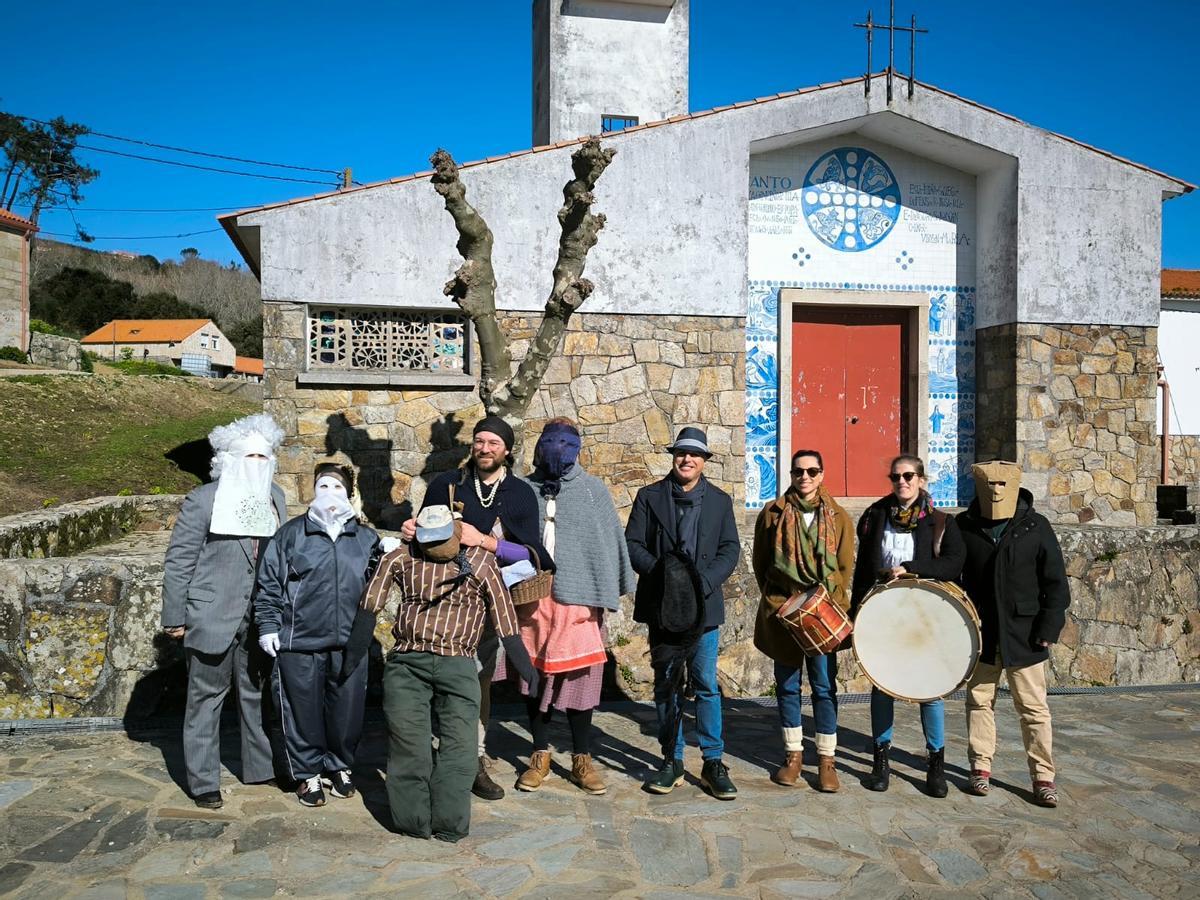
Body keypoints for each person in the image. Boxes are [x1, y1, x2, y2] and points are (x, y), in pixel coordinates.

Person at [363, 505, 539, 842]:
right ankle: (412, 819)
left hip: (458, 663)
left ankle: (449, 823)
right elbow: (371, 602)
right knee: (408, 744)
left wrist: (526, 667)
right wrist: (353, 656)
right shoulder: (401, 557)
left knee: (459, 746)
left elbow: (504, 616)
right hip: (407, 661)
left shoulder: (480, 561)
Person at [403, 415, 552, 801]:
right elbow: (424, 535)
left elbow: (531, 553)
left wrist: (485, 541)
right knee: (436, 678)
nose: (485, 448)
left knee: (476, 681)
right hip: (440, 602)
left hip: (486, 605)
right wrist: (411, 529)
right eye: (479, 441)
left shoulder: (520, 493)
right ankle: (436, 755)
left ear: (506, 451)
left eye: (494, 443)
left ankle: (473, 759)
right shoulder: (445, 485)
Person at [161, 413, 287, 809]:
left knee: (255, 694)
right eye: (249, 457)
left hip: (259, 616)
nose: (257, 465)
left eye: (264, 458)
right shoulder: (203, 500)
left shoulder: (276, 497)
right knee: (206, 697)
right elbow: (179, 560)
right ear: (230, 459)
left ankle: (259, 767)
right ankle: (203, 781)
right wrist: (175, 617)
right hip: (212, 614)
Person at [507, 418, 635, 795]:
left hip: (579, 602)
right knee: (534, 680)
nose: (557, 449)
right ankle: (540, 753)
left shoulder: (593, 491)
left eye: (565, 442)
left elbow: (608, 542)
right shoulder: (521, 490)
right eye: (550, 441)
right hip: (532, 600)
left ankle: (582, 757)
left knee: (580, 681)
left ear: (577, 447)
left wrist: (607, 589)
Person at [254, 463, 381, 807]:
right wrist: (267, 627)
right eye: (322, 487)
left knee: (347, 712)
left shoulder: (367, 539)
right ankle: (307, 774)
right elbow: (268, 585)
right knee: (301, 713)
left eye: (337, 487)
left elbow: (379, 584)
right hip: (300, 642)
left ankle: (339, 766)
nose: (329, 494)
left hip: (349, 643)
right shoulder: (291, 535)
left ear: (349, 494)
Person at [626, 427, 741, 800]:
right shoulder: (649, 497)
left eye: (694, 454)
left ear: (704, 461)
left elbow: (730, 549)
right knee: (667, 684)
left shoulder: (720, 502)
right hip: (663, 606)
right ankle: (671, 759)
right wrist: (664, 576)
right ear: (674, 456)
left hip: (704, 608)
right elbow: (633, 543)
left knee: (706, 685)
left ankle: (713, 761)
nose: (687, 459)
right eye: (681, 453)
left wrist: (700, 582)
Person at [849, 454, 966, 798]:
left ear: (921, 478)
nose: (902, 482)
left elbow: (953, 563)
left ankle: (936, 766)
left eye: (909, 476)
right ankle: (880, 763)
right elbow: (863, 569)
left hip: (923, 616)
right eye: (896, 477)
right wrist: (856, 611)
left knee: (930, 690)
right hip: (883, 614)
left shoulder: (941, 521)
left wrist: (910, 568)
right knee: (882, 685)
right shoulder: (875, 516)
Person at [957, 460, 1070, 808]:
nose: (995, 491)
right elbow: (952, 574)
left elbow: (1056, 584)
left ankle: (1042, 776)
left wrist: (1048, 628)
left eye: (1002, 485)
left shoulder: (1035, 527)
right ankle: (980, 767)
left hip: (1026, 634)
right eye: (988, 485)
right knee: (979, 702)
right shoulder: (964, 526)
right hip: (982, 635)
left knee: (1034, 708)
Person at [751, 449, 854, 793]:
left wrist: (829, 605)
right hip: (785, 610)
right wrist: (780, 599)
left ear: (822, 474)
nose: (805, 477)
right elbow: (761, 562)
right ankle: (793, 755)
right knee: (787, 686)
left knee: (824, 687)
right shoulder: (773, 513)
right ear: (791, 475)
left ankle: (826, 760)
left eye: (812, 471)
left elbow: (843, 567)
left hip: (823, 612)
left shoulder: (838, 516)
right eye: (799, 472)